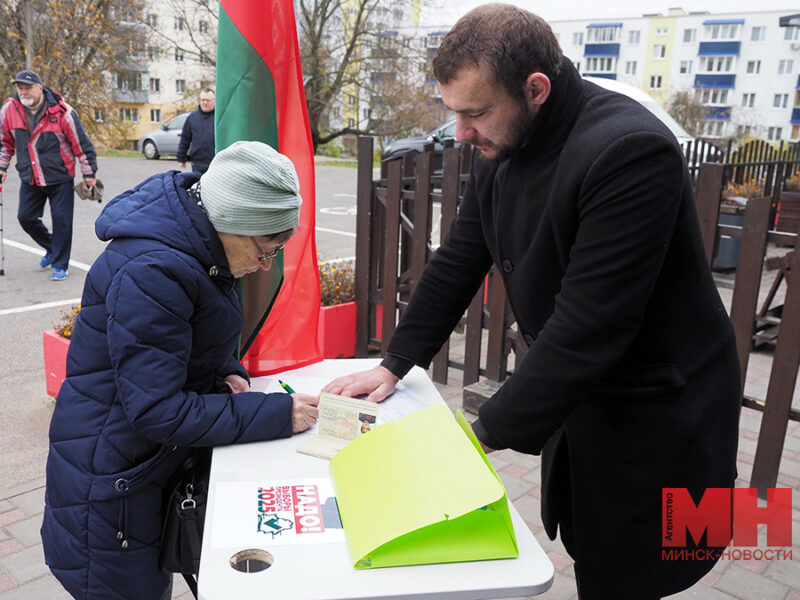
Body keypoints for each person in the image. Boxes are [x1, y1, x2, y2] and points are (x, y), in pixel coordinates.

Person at [323, 4, 740, 598]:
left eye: (475, 113)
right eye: (454, 114)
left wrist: (474, 439)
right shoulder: (508, 140)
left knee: (641, 567)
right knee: (592, 545)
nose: (461, 133)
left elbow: (588, 325)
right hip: (585, 401)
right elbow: (458, 261)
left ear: (535, 88)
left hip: (661, 416)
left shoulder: (629, 151)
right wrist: (393, 364)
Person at [40, 141, 320, 600]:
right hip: (110, 488)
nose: (262, 266)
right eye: (265, 250)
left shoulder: (196, 246)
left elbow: (184, 340)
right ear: (234, 222)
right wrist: (273, 414)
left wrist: (225, 370)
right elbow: (157, 409)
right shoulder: (154, 270)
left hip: (133, 469)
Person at [0, 69, 97, 281]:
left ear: (40, 88)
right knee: (25, 217)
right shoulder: (9, 110)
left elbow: (81, 144)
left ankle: (60, 264)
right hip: (30, 176)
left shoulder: (62, 111)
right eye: (20, 88)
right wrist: (2, 168)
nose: (23, 92)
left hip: (60, 176)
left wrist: (89, 173)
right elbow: (5, 144)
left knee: (62, 221)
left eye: (28, 88)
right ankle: (53, 248)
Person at [177, 86, 216, 174]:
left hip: (215, 162)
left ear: (214, 101)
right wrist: (181, 158)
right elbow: (185, 139)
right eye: (203, 100)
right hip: (197, 163)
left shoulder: (219, 119)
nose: (205, 102)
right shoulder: (192, 118)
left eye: (208, 100)